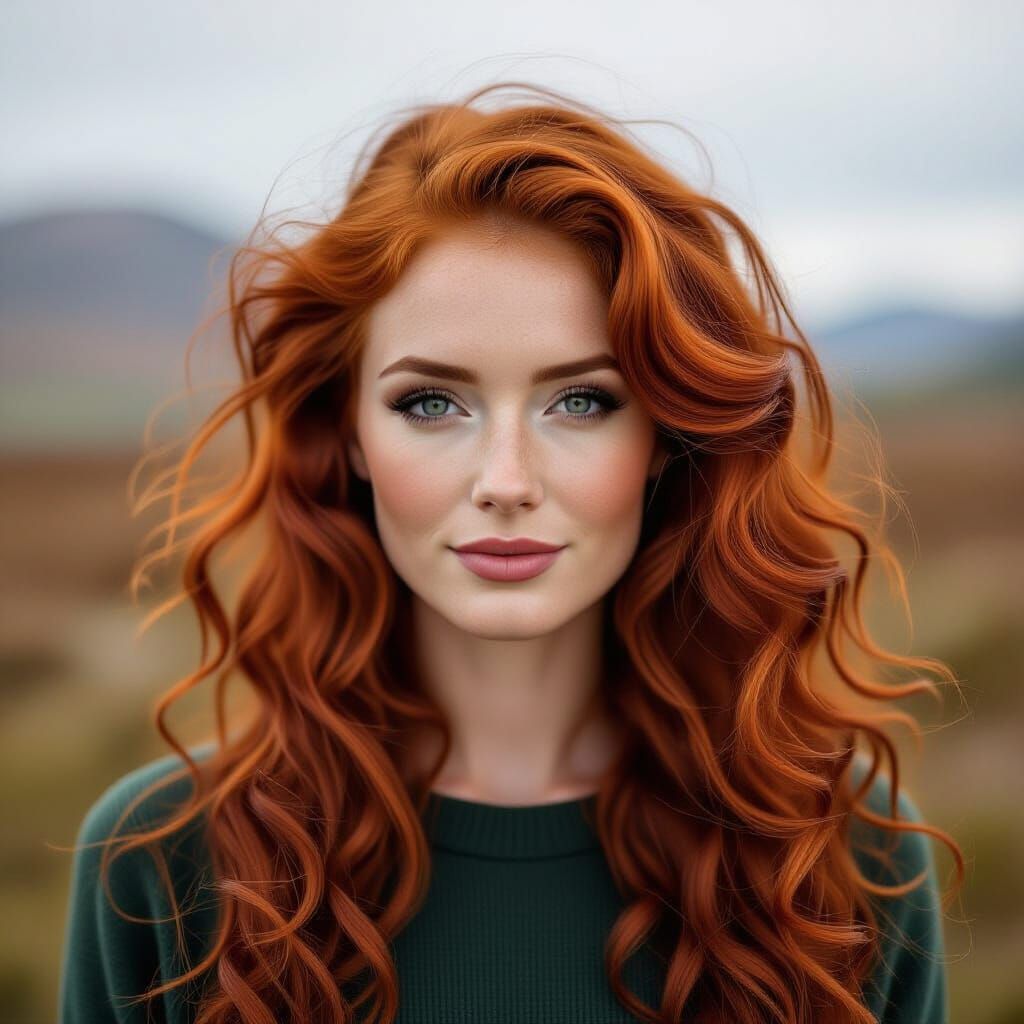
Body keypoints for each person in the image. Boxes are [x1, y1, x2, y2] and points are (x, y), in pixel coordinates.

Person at [59, 82, 963, 1024]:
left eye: (580, 401)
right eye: (430, 403)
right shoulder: (162, 859)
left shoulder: (839, 849)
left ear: (665, 438)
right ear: (352, 435)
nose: (505, 478)